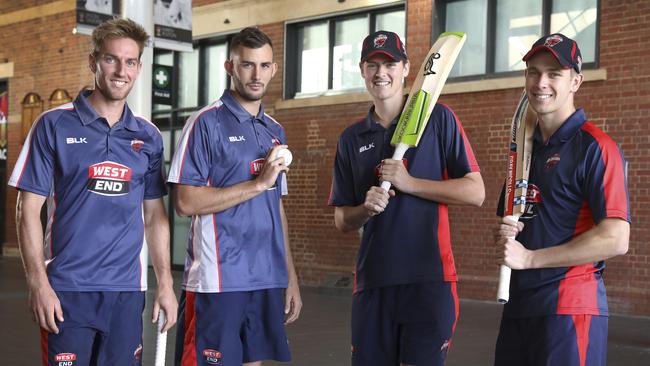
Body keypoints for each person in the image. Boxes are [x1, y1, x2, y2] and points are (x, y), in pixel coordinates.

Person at [9, 18, 177, 365]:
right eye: (111, 59)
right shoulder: (53, 125)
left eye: (130, 62)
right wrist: (38, 284)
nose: (121, 70)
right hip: (67, 290)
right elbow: (27, 209)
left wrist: (164, 283)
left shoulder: (147, 136)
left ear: (140, 67)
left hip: (126, 293)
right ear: (93, 62)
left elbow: (155, 215)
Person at [329, 30, 485, 366]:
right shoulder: (351, 138)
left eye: (390, 64)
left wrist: (410, 183)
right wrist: (364, 210)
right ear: (362, 69)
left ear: (405, 68)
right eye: (373, 64)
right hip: (373, 283)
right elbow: (342, 220)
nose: (381, 72)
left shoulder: (438, 118)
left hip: (429, 281)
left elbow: (476, 191)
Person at [168, 26, 302, 366]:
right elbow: (184, 202)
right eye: (247, 65)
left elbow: (277, 208)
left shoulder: (275, 130)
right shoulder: (205, 123)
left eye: (264, 65)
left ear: (273, 69)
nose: (256, 75)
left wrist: (290, 276)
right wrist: (256, 185)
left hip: (266, 276)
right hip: (218, 278)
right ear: (230, 67)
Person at [494, 33, 630, 366]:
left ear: (576, 82)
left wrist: (530, 259)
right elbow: (517, 223)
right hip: (519, 306)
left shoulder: (596, 147)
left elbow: (616, 238)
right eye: (533, 72)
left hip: (569, 309)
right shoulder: (525, 151)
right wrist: (507, 235)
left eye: (554, 73)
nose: (541, 82)